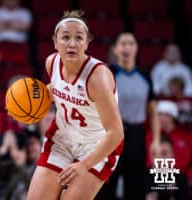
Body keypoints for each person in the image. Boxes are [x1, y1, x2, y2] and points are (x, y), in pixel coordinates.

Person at [27, 10, 124, 200]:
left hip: (97, 145)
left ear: (87, 44)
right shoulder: (51, 63)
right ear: (55, 42)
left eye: (79, 38)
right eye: (65, 37)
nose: (72, 43)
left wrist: (83, 165)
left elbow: (116, 133)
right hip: (63, 137)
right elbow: (57, 89)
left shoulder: (97, 77)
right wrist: (27, 104)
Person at [97, 32, 161, 200]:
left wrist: (156, 140)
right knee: (106, 183)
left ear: (137, 48)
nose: (127, 47)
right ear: (115, 49)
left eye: (131, 43)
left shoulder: (145, 76)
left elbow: (152, 111)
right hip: (111, 135)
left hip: (136, 134)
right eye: (123, 44)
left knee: (135, 184)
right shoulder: (106, 74)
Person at [146, 136, 188, 200]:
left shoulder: (181, 179)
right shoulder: (140, 179)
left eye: (164, 153)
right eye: (155, 153)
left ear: (172, 154)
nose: (159, 158)